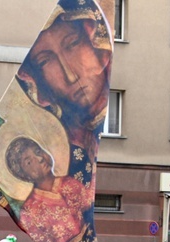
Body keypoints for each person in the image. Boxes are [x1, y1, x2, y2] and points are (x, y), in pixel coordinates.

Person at [16, 0, 112, 187]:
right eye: (45, 61)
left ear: (96, 42)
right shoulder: (64, 143)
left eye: (73, 43)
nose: (70, 75)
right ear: (38, 83)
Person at [5, 136, 96, 242]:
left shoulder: (71, 184)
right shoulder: (31, 211)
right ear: (24, 174)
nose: (40, 159)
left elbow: (88, 214)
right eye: (29, 161)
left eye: (38, 151)